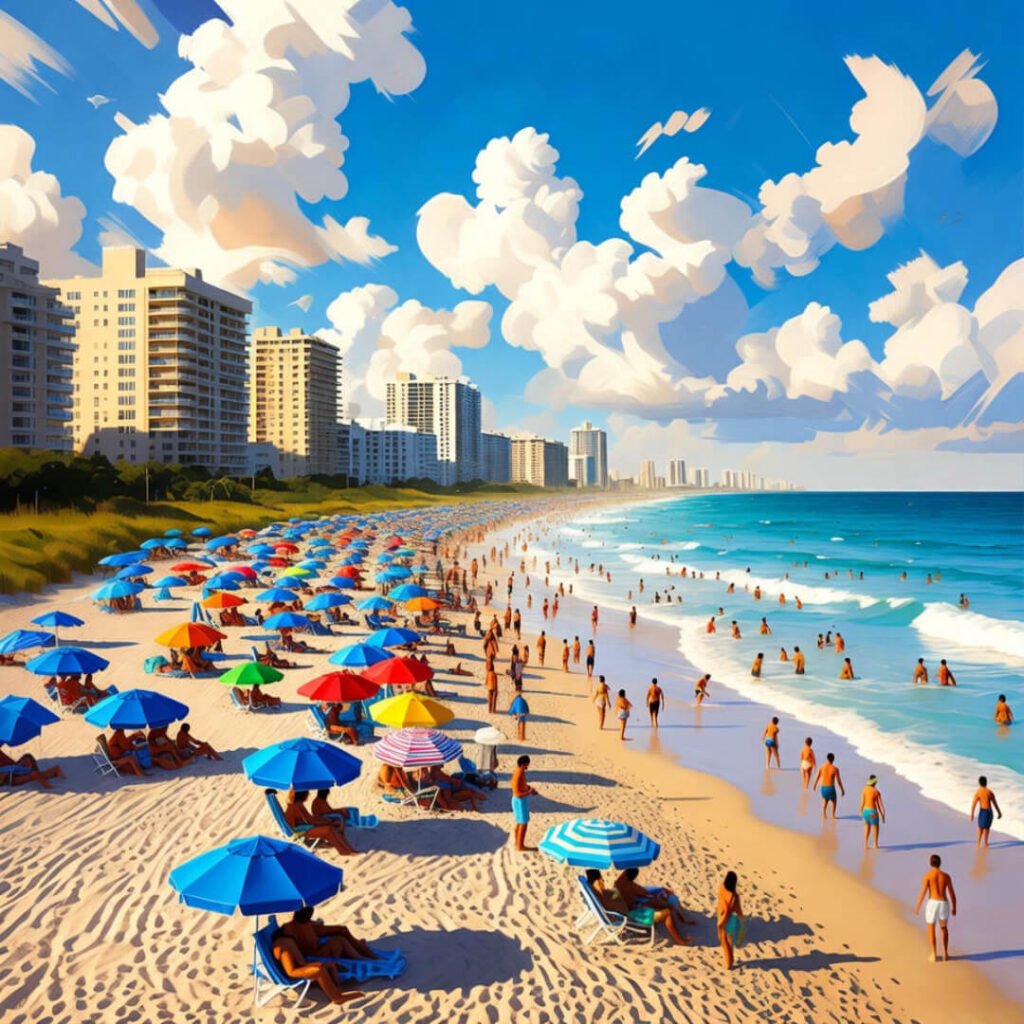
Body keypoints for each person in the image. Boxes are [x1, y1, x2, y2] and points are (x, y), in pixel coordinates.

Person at [270, 928, 360, 1006]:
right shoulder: (283, 943)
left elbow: (299, 959)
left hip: (298, 966)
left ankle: (336, 986)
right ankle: (337, 998)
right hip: (293, 971)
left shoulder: (286, 941)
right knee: (319, 970)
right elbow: (291, 969)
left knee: (329, 964)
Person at [281, 904, 376, 961]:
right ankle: (360, 958)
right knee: (339, 939)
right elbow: (309, 945)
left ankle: (358, 947)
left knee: (342, 930)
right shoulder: (295, 929)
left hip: (314, 946)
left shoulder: (293, 925)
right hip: (313, 954)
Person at [285, 789, 357, 856]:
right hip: (302, 832)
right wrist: (327, 822)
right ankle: (344, 850)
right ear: (302, 794)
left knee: (330, 829)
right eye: (307, 792)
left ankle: (346, 849)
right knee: (329, 829)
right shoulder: (296, 806)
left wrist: (326, 821)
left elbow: (309, 820)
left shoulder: (295, 805)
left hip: (303, 829)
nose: (308, 794)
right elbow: (309, 820)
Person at [914, 854, 957, 963]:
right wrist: (954, 906)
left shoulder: (928, 876)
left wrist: (918, 906)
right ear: (939, 863)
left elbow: (923, 892)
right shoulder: (946, 876)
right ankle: (945, 953)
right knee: (944, 928)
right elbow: (952, 893)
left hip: (932, 903)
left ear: (930, 863)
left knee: (931, 929)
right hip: (943, 903)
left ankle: (933, 954)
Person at [716, 870, 744, 970]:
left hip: (721, 917)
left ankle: (729, 962)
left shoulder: (722, 888)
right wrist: (742, 920)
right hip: (730, 919)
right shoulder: (734, 897)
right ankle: (730, 961)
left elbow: (720, 902)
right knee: (729, 940)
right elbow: (738, 910)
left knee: (723, 940)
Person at [511, 755, 537, 852]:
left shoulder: (519, 771)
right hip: (519, 801)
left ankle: (517, 843)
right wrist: (529, 792)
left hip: (520, 800)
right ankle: (520, 846)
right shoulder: (518, 773)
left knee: (520, 823)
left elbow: (522, 785)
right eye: (526, 765)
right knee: (523, 824)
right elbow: (517, 793)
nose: (527, 767)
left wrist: (529, 789)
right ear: (523, 764)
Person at [970, 776, 1002, 847]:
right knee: (987, 828)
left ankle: (978, 842)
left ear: (979, 783)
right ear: (986, 783)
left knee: (980, 827)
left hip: (983, 811)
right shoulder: (989, 792)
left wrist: (972, 814)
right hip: (989, 811)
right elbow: (995, 803)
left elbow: (974, 803)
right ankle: (985, 842)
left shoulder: (978, 792)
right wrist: (999, 812)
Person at [813, 753, 845, 820]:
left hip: (823, 787)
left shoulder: (822, 767)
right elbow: (838, 781)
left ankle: (824, 814)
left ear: (827, 758)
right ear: (833, 759)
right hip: (830, 788)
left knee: (825, 800)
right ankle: (833, 815)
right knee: (834, 801)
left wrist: (815, 785)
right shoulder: (835, 769)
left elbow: (818, 777)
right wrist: (842, 789)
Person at [860, 775, 886, 848]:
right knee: (875, 827)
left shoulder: (864, 789)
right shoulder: (876, 792)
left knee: (867, 826)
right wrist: (883, 815)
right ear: (875, 783)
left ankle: (865, 844)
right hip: (872, 812)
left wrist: (860, 811)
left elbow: (862, 802)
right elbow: (880, 805)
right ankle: (875, 844)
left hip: (865, 811)